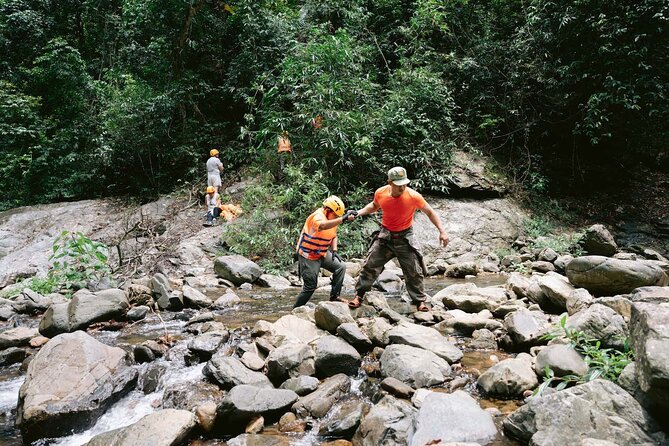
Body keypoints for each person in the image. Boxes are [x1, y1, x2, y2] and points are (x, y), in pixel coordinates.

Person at [347, 167, 449, 312]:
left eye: (404, 184)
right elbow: (374, 206)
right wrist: (358, 213)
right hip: (385, 237)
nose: (402, 187)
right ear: (390, 182)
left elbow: (430, 212)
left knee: (414, 271)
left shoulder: (413, 196)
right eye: (398, 184)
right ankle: (359, 295)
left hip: (405, 237)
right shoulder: (381, 193)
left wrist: (442, 231)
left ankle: (419, 301)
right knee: (370, 265)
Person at [294, 195, 357, 308]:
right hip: (308, 255)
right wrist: (343, 219)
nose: (336, 218)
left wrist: (334, 250)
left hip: (322, 253)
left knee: (341, 267)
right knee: (310, 286)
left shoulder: (332, 219)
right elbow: (322, 226)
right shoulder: (317, 216)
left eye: (338, 216)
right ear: (327, 210)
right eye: (335, 215)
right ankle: (296, 310)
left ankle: (334, 296)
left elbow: (333, 235)